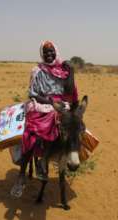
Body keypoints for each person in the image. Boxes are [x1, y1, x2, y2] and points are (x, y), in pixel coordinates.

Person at [22, 40, 78, 179]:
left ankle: (73, 154)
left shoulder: (63, 70)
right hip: (43, 102)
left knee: (75, 126)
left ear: (56, 52)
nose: (49, 54)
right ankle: (24, 172)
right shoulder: (37, 71)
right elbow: (33, 93)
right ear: (42, 54)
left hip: (62, 103)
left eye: (51, 51)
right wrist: (50, 103)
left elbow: (70, 91)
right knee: (34, 128)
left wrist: (71, 71)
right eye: (46, 52)